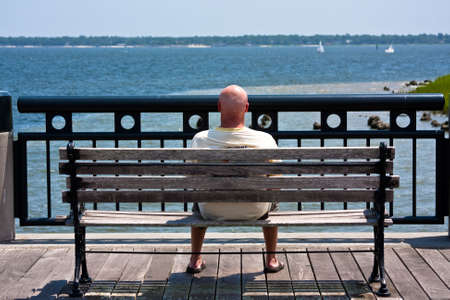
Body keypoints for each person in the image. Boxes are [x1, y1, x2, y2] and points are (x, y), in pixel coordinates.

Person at [186, 85, 283, 274]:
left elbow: (192, 180)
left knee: (198, 198)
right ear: (246, 108)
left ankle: (195, 260)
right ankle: (271, 259)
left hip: (211, 210)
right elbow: (276, 182)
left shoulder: (200, 140)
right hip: (255, 210)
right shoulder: (265, 140)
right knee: (273, 196)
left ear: (219, 107)